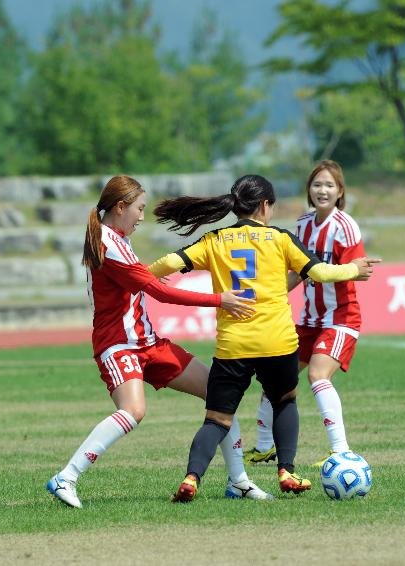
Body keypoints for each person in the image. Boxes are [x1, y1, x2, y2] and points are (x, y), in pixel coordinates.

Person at [148, 174, 379, 502]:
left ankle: (191, 477)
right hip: (277, 342)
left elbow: (168, 264)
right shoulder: (281, 239)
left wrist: (132, 274)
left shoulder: (214, 240)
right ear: (265, 205)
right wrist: (355, 269)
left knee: (216, 419)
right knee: (284, 400)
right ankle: (286, 471)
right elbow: (321, 273)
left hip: (233, 346)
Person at [46, 175, 272, 509]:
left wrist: (146, 274)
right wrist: (219, 299)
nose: (141, 216)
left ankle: (238, 482)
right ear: (120, 207)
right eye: (138, 209)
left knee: (219, 394)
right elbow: (158, 292)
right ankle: (66, 477)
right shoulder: (109, 242)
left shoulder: (116, 238)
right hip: (119, 344)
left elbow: (138, 279)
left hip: (148, 343)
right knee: (133, 411)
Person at [247, 160, 371, 468]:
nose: (323, 190)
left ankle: (341, 451)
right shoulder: (302, 225)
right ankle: (264, 448)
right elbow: (297, 273)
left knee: (317, 374)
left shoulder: (345, 226)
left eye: (330, 185)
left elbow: (359, 271)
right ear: (309, 190)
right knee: (276, 378)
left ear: (340, 191)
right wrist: (270, 294)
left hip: (340, 318)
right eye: (317, 185)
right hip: (309, 320)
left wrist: (328, 272)